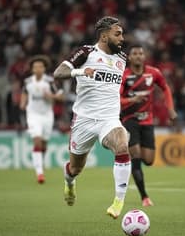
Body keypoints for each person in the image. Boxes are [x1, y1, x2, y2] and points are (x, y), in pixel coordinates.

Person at [53, 16, 131, 219]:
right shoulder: (86, 52)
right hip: (84, 120)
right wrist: (80, 72)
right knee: (76, 168)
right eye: (118, 34)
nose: (122, 38)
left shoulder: (122, 59)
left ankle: (118, 201)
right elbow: (59, 72)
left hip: (109, 119)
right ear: (104, 36)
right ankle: (69, 181)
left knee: (122, 146)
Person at [120, 44, 177, 207]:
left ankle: (134, 163)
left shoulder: (154, 73)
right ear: (129, 57)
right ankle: (144, 197)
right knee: (136, 156)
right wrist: (131, 100)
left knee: (149, 161)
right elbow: (116, 100)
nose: (138, 56)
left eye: (141, 53)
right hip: (129, 121)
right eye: (135, 53)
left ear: (144, 57)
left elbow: (165, 88)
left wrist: (170, 109)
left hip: (147, 122)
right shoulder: (124, 76)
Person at [20, 55, 64, 184]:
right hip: (33, 115)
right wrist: (22, 103)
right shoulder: (28, 82)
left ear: (44, 68)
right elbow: (24, 93)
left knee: (44, 143)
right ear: (32, 69)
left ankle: (40, 163)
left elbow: (61, 97)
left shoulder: (50, 81)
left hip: (47, 115)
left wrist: (51, 96)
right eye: (35, 67)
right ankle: (39, 173)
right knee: (37, 141)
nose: (38, 69)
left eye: (40, 66)